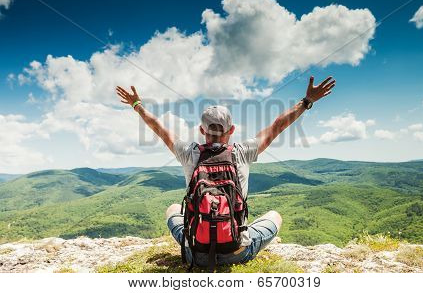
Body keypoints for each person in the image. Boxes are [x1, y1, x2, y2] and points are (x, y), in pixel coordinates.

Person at [116, 75, 336, 267]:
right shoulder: (242, 152)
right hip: (237, 252)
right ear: (232, 130)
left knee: (173, 208)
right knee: (274, 216)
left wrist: (136, 104)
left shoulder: (189, 153)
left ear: (202, 130)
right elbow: (277, 125)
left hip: (196, 254)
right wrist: (307, 101)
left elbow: (159, 128)